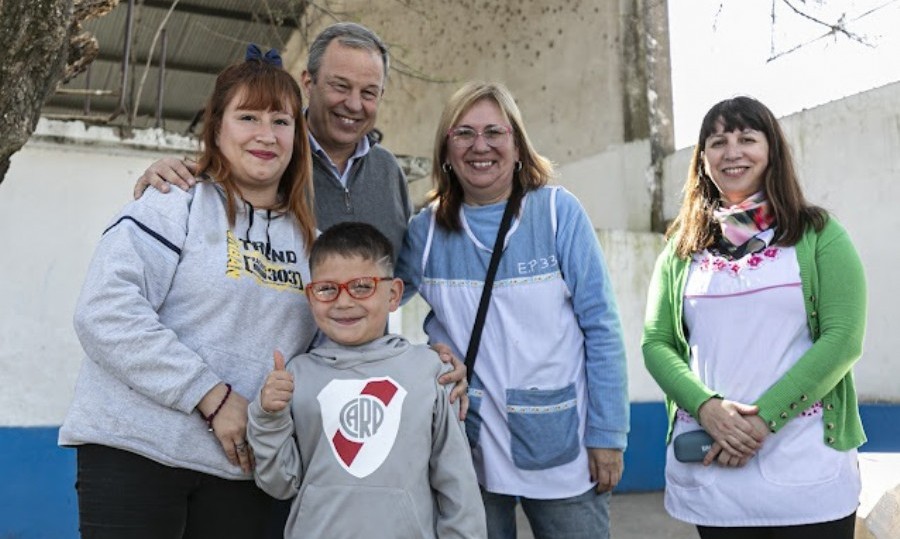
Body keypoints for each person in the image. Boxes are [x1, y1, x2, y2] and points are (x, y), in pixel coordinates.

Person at [58, 47, 319, 537]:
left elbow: (332, 353)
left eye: (281, 121)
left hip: (244, 472)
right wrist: (213, 397)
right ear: (217, 128)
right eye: (248, 117)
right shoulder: (171, 205)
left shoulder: (315, 248)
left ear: (297, 136)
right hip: (134, 453)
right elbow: (104, 313)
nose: (266, 135)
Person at [395, 81, 629, 539]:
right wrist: (418, 363)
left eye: (493, 133)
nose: (479, 146)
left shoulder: (558, 213)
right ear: (446, 149)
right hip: (468, 447)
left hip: (562, 444)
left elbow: (602, 329)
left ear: (517, 145)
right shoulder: (425, 232)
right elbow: (371, 306)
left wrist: (608, 435)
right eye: (463, 133)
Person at [641, 96, 866, 538]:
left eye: (747, 138)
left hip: (805, 469)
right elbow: (657, 341)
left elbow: (843, 338)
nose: (732, 151)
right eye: (718, 141)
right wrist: (707, 409)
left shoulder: (818, 234)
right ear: (703, 159)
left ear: (772, 152)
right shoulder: (682, 249)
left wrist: (762, 420)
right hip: (716, 475)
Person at [247, 222, 487, 538]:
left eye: (362, 286)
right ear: (310, 296)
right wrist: (268, 417)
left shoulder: (429, 372)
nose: (344, 302)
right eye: (327, 289)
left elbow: (458, 485)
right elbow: (280, 483)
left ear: (393, 294)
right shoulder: (296, 375)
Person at [135, 22, 412, 258]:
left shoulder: (389, 172)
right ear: (308, 83)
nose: (353, 104)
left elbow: (402, 273)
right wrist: (166, 173)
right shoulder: (267, 156)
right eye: (340, 86)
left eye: (368, 93)